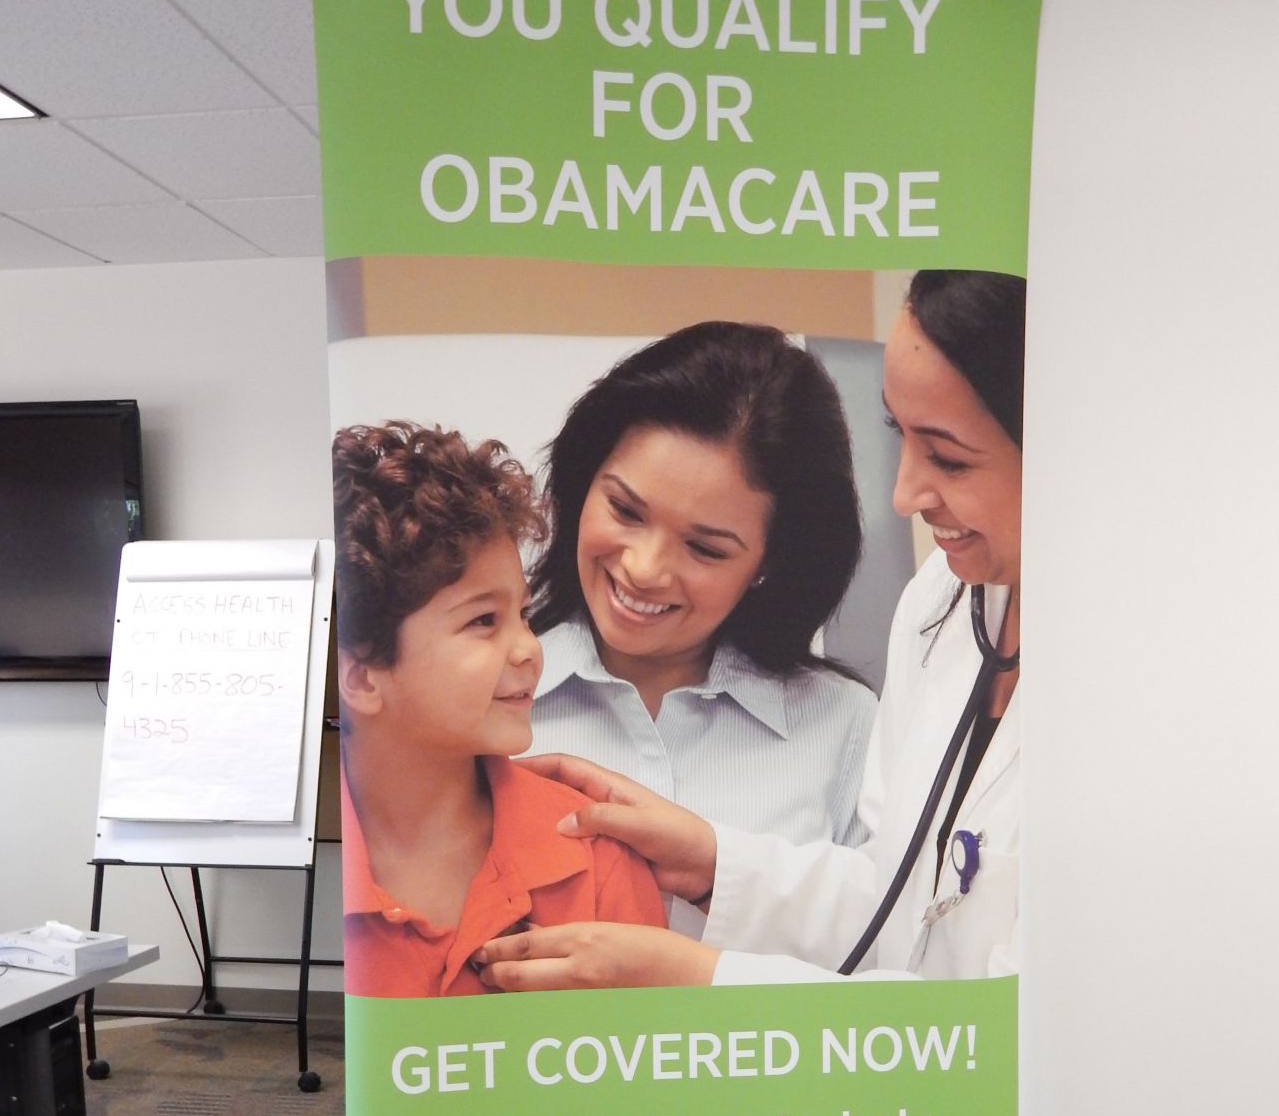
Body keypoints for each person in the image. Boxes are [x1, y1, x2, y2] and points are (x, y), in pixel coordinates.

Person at [476, 271, 1025, 992]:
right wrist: (712, 861)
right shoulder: (939, 606)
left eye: (949, 456)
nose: (903, 495)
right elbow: (894, 905)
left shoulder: (841, 722)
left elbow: (1006, 1016)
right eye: (898, 431)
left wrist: (695, 973)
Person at [332, 421, 664, 999]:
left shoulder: (595, 858)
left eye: (525, 615)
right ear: (361, 677)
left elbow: (656, 1068)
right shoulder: (317, 875)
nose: (529, 649)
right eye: (483, 620)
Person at [526, 321, 875, 845]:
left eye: (705, 548)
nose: (644, 569)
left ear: (770, 562)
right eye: (624, 510)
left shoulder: (844, 725)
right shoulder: (480, 700)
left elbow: (889, 924)